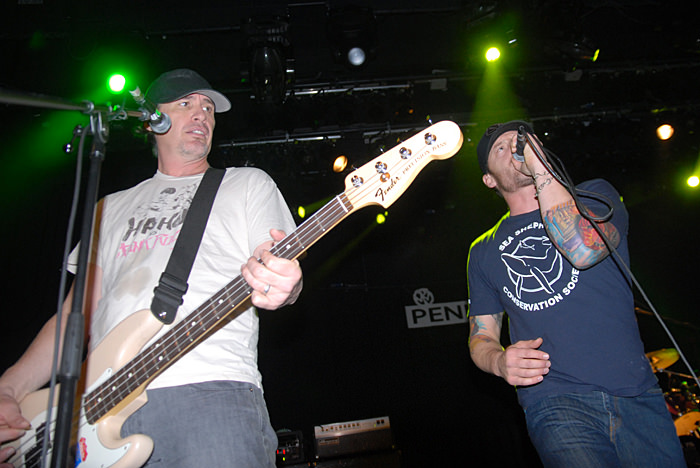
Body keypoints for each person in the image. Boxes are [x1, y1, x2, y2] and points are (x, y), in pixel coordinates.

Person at [0, 68, 303, 468]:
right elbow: (74, 316)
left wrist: (284, 283)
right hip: (94, 414)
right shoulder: (108, 208)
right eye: (185, 103)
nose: (201, 114)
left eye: (208, 108)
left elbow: (274, 261)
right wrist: (9, 388)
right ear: (149, 120)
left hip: (208, 393)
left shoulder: (245, 184)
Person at [466, 120, 686, 467]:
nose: (515, 149)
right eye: (501, 148)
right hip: (555, 400)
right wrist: (498, 361)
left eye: (522, 141)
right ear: (489, 180)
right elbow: (481, 335)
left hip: (637, 391)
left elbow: (582, 250)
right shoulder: (482, 251)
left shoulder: (595, 195)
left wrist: (540, 169)